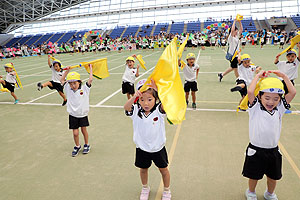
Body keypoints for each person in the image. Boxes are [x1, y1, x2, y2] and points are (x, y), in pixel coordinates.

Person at [243, 70, 296, 200]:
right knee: (254, 175)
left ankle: (270, 193)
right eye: (267, 98)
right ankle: (251, 192)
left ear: (280, 99)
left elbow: (293, 92)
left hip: (273, 150)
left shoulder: (280, 108)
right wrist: (257, 76)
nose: (271, 102)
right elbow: (250, 92)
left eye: (275, 98)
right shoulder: (254, 107)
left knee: (273, 177)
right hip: (256, 150)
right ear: (260, 96)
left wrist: (284, 76)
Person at [124, 79, 171, 200]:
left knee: (164, 170)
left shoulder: (159, 111)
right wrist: (133, 97)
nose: (146, 103)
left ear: (155, 99)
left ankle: (166, 190)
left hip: (158, 148)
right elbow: (126, 107)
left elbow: (165, 103)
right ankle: (145, 188)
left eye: (150, 99)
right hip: (142, 148)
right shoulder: (135, 110)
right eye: (142, 99)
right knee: (143, 169)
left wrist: (158, 91)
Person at [60, 65, 93, 157]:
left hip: (82, 114)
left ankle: (86, 144)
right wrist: (67, 71)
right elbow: (62, 80)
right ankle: (77, 146)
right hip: (73, 115)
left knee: (84, 130)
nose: (73, 85)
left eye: (75, 83)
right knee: (75, 133)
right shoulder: (67, 88)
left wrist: (90, 68)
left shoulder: (85, 88)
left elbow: (90, 80)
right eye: (71, 83)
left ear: (79, 82)